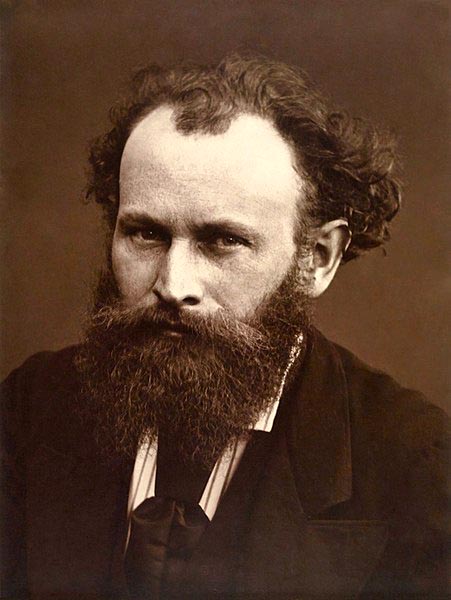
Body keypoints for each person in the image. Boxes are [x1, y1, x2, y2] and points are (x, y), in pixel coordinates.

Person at [1, 55, 448, 599]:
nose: (174, 283)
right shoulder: (28, 410)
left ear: (318, 257)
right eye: (145, 234)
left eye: (223, 241)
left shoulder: (416, 467)